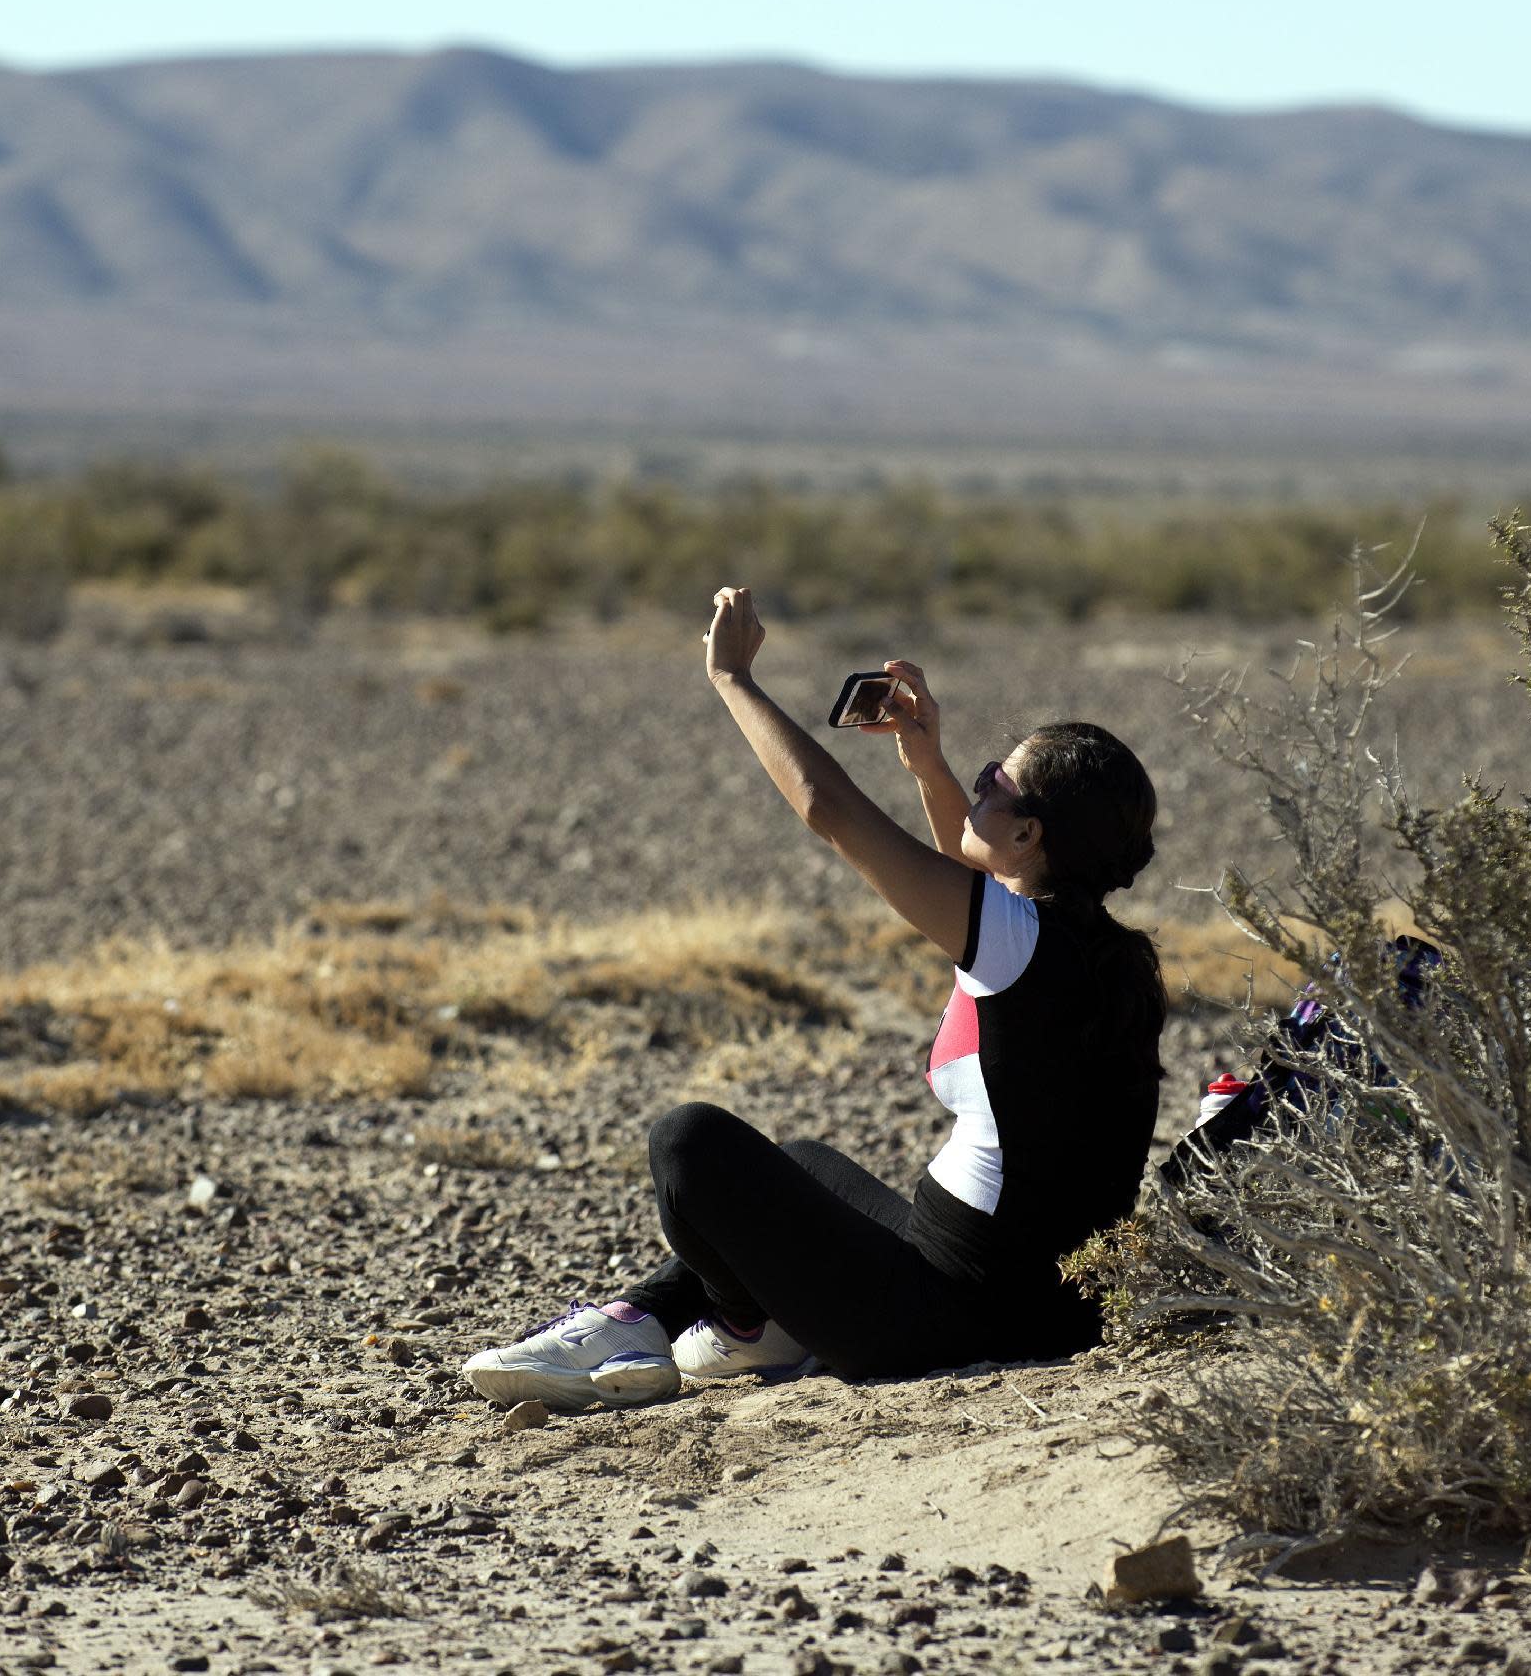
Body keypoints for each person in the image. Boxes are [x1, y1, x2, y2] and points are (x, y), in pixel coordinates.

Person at [462, 585, 1166, 1408]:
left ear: (1029, 835)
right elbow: (969, 882)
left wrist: (734, 680)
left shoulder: (1018, 943)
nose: (977, 790)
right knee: (801, 1164)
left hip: (950, 1319)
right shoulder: (1100, 953)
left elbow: (827, 810)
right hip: (1040, 1310)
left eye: (992, 782)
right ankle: (640, 1317)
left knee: (688, 1143)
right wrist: (929, 764)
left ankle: (741, 1323)